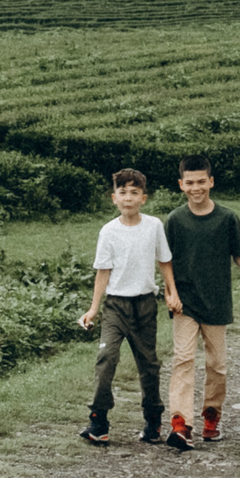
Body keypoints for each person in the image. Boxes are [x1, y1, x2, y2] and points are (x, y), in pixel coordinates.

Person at [162, 155, 240, 450]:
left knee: (217, 365)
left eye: (201, 182)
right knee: (183, 360)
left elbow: (239, 256)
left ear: (211, 182)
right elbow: (165, 260)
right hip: (185, 302)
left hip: (217, 301)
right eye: (190, 183)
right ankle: (181, 424)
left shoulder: (227, 218)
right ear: (182, 185)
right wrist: (170, 293)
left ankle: (211, 417)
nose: (196, 188)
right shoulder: (175, 220)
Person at [79, 168, 184, 447]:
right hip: (115, 307)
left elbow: (165, 262)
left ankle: (153, 421)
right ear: (114, 198)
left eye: (134, 193)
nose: (128, 198)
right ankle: (98, 421)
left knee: (148, 365)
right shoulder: (109, 231)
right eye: (123, 192)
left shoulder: (153, 226)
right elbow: (103, 271)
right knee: (106, 360)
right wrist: (93, 309)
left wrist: (171, 292)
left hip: (145, 305)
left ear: (144, 198)